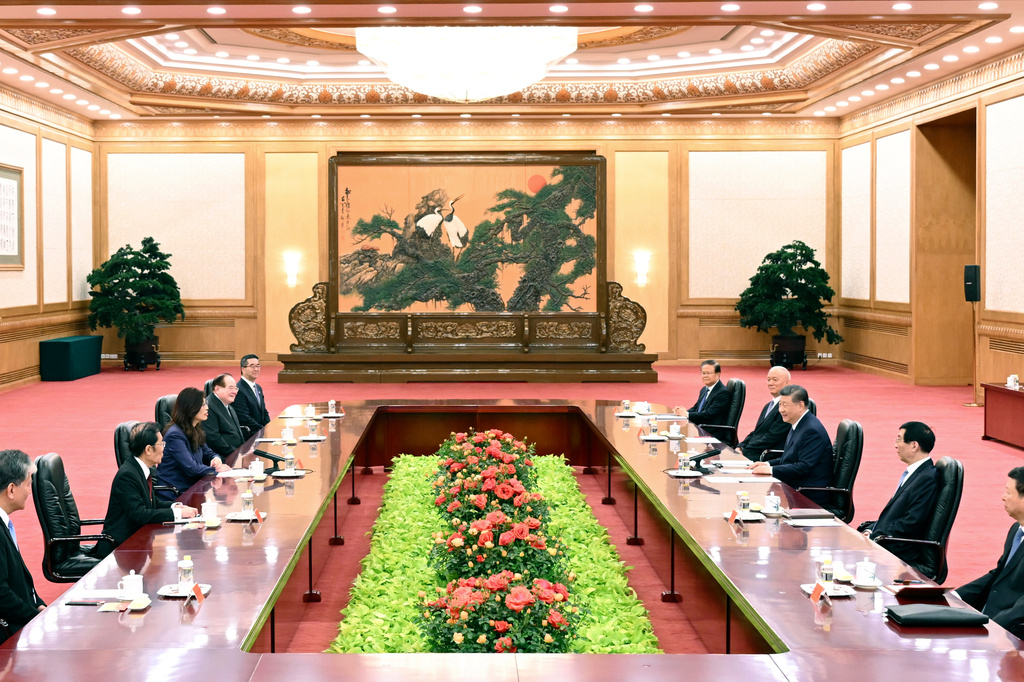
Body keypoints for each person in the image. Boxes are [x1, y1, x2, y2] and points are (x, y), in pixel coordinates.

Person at [98, 422, 197, 558]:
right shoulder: (128, 475)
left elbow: (150, 502)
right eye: (161, 444)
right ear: (148, 449)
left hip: (135, 541)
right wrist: (176, 514)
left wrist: (176, 507)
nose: (164, 448)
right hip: (119, 547)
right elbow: (140, 514)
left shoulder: (141, 469)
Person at [857, 422, 941, 570]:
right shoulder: (915, 473)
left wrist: (874, 537)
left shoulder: (926, 478)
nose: (896, 445)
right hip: (886, 539)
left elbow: (911, 522)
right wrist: (871, 530)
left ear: (914, 445)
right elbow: (895, 516)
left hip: (898, 550)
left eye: (899, 439)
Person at [956, 467, 1024, 638]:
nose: (1003, 497)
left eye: (1008, 492)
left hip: (1011, 629)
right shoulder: (1017, 529)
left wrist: (994, 625)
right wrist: (955, 596)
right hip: (990, 617)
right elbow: (999, 573)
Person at [749, 385, 832, 504]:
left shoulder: (811, 431)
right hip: (794, 486)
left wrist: (771, 470)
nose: (781, 410)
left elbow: (804, 467)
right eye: (780, 405)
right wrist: (766, 464)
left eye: (785, 405)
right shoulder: (798, 423)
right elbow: (790, 458)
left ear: (800, 405)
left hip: (807, 494)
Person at [155, 387, 231, 502]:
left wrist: (216, 458)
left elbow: (208, 453)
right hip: (176, 493)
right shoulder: (175, 435)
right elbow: (192, 468)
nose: (207, 408)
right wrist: (217, 471)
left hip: (193, 488)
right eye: (203, 405)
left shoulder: (194, 429)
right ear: (190, 408)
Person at [0, 449, 45, 639]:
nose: (29, 491)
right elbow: (1, 593)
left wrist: (37, 604)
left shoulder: (5, 524)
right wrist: (35, 618)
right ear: (11, 489)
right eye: (28, 485)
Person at [735, 366, 792, 462]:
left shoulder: (786, 408)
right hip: (755, 450)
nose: (770, 383)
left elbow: (772, 438)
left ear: (787, 383)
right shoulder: (768, 406)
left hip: (768, 455)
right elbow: (756, 432)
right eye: (768, 379)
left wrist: (745, 450)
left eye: (775, 380)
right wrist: (740, 446)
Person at [673, 360, 730, 426]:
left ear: (718, 374)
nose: (705, 376)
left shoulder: (722, 392)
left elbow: (709, 414)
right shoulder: (704, 389)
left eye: (708, 373)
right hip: (700, 426)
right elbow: (696, 408)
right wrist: (682, 412)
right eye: (703, 373)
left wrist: (687, 414)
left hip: (711, 431)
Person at [202, 373, 245, 457]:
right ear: (217, 389)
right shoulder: (209, 407)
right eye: (230, 388)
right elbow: (213, 438)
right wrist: (236, 455)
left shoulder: (228, 405)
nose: (234, 392)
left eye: (236, 388)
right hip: (223, 457)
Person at [234, 354, 270, 438]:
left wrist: (269, 427)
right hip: (250, 435)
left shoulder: (258, 388)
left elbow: (264, 411)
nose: (256, 369)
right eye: (252, 366)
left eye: (258, 366)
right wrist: (262, 430)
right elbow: (244, 417)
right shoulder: (239, 390)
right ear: (243, 369)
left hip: (260, 432)